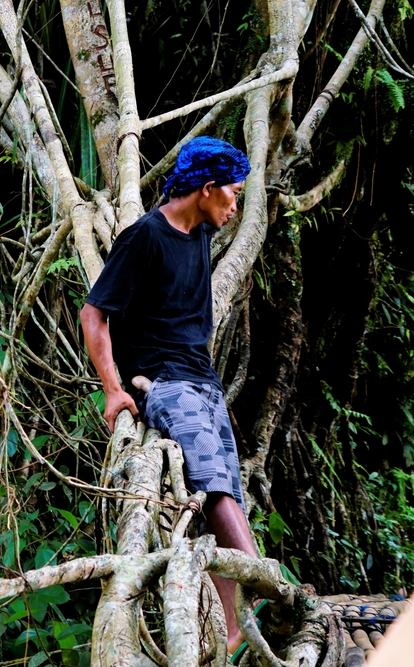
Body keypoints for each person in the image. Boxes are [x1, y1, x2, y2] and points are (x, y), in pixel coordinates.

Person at [80, 136, 258, 656]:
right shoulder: (144, 238)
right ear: (207, 190)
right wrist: (114, 389)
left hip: (205, 383)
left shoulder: (201, 229)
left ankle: (230, 631)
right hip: (166, 384)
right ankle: (265, 577)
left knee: (230, 494)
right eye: (233, 194)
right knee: (211, 479)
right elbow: (95, 313)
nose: (235, 206)